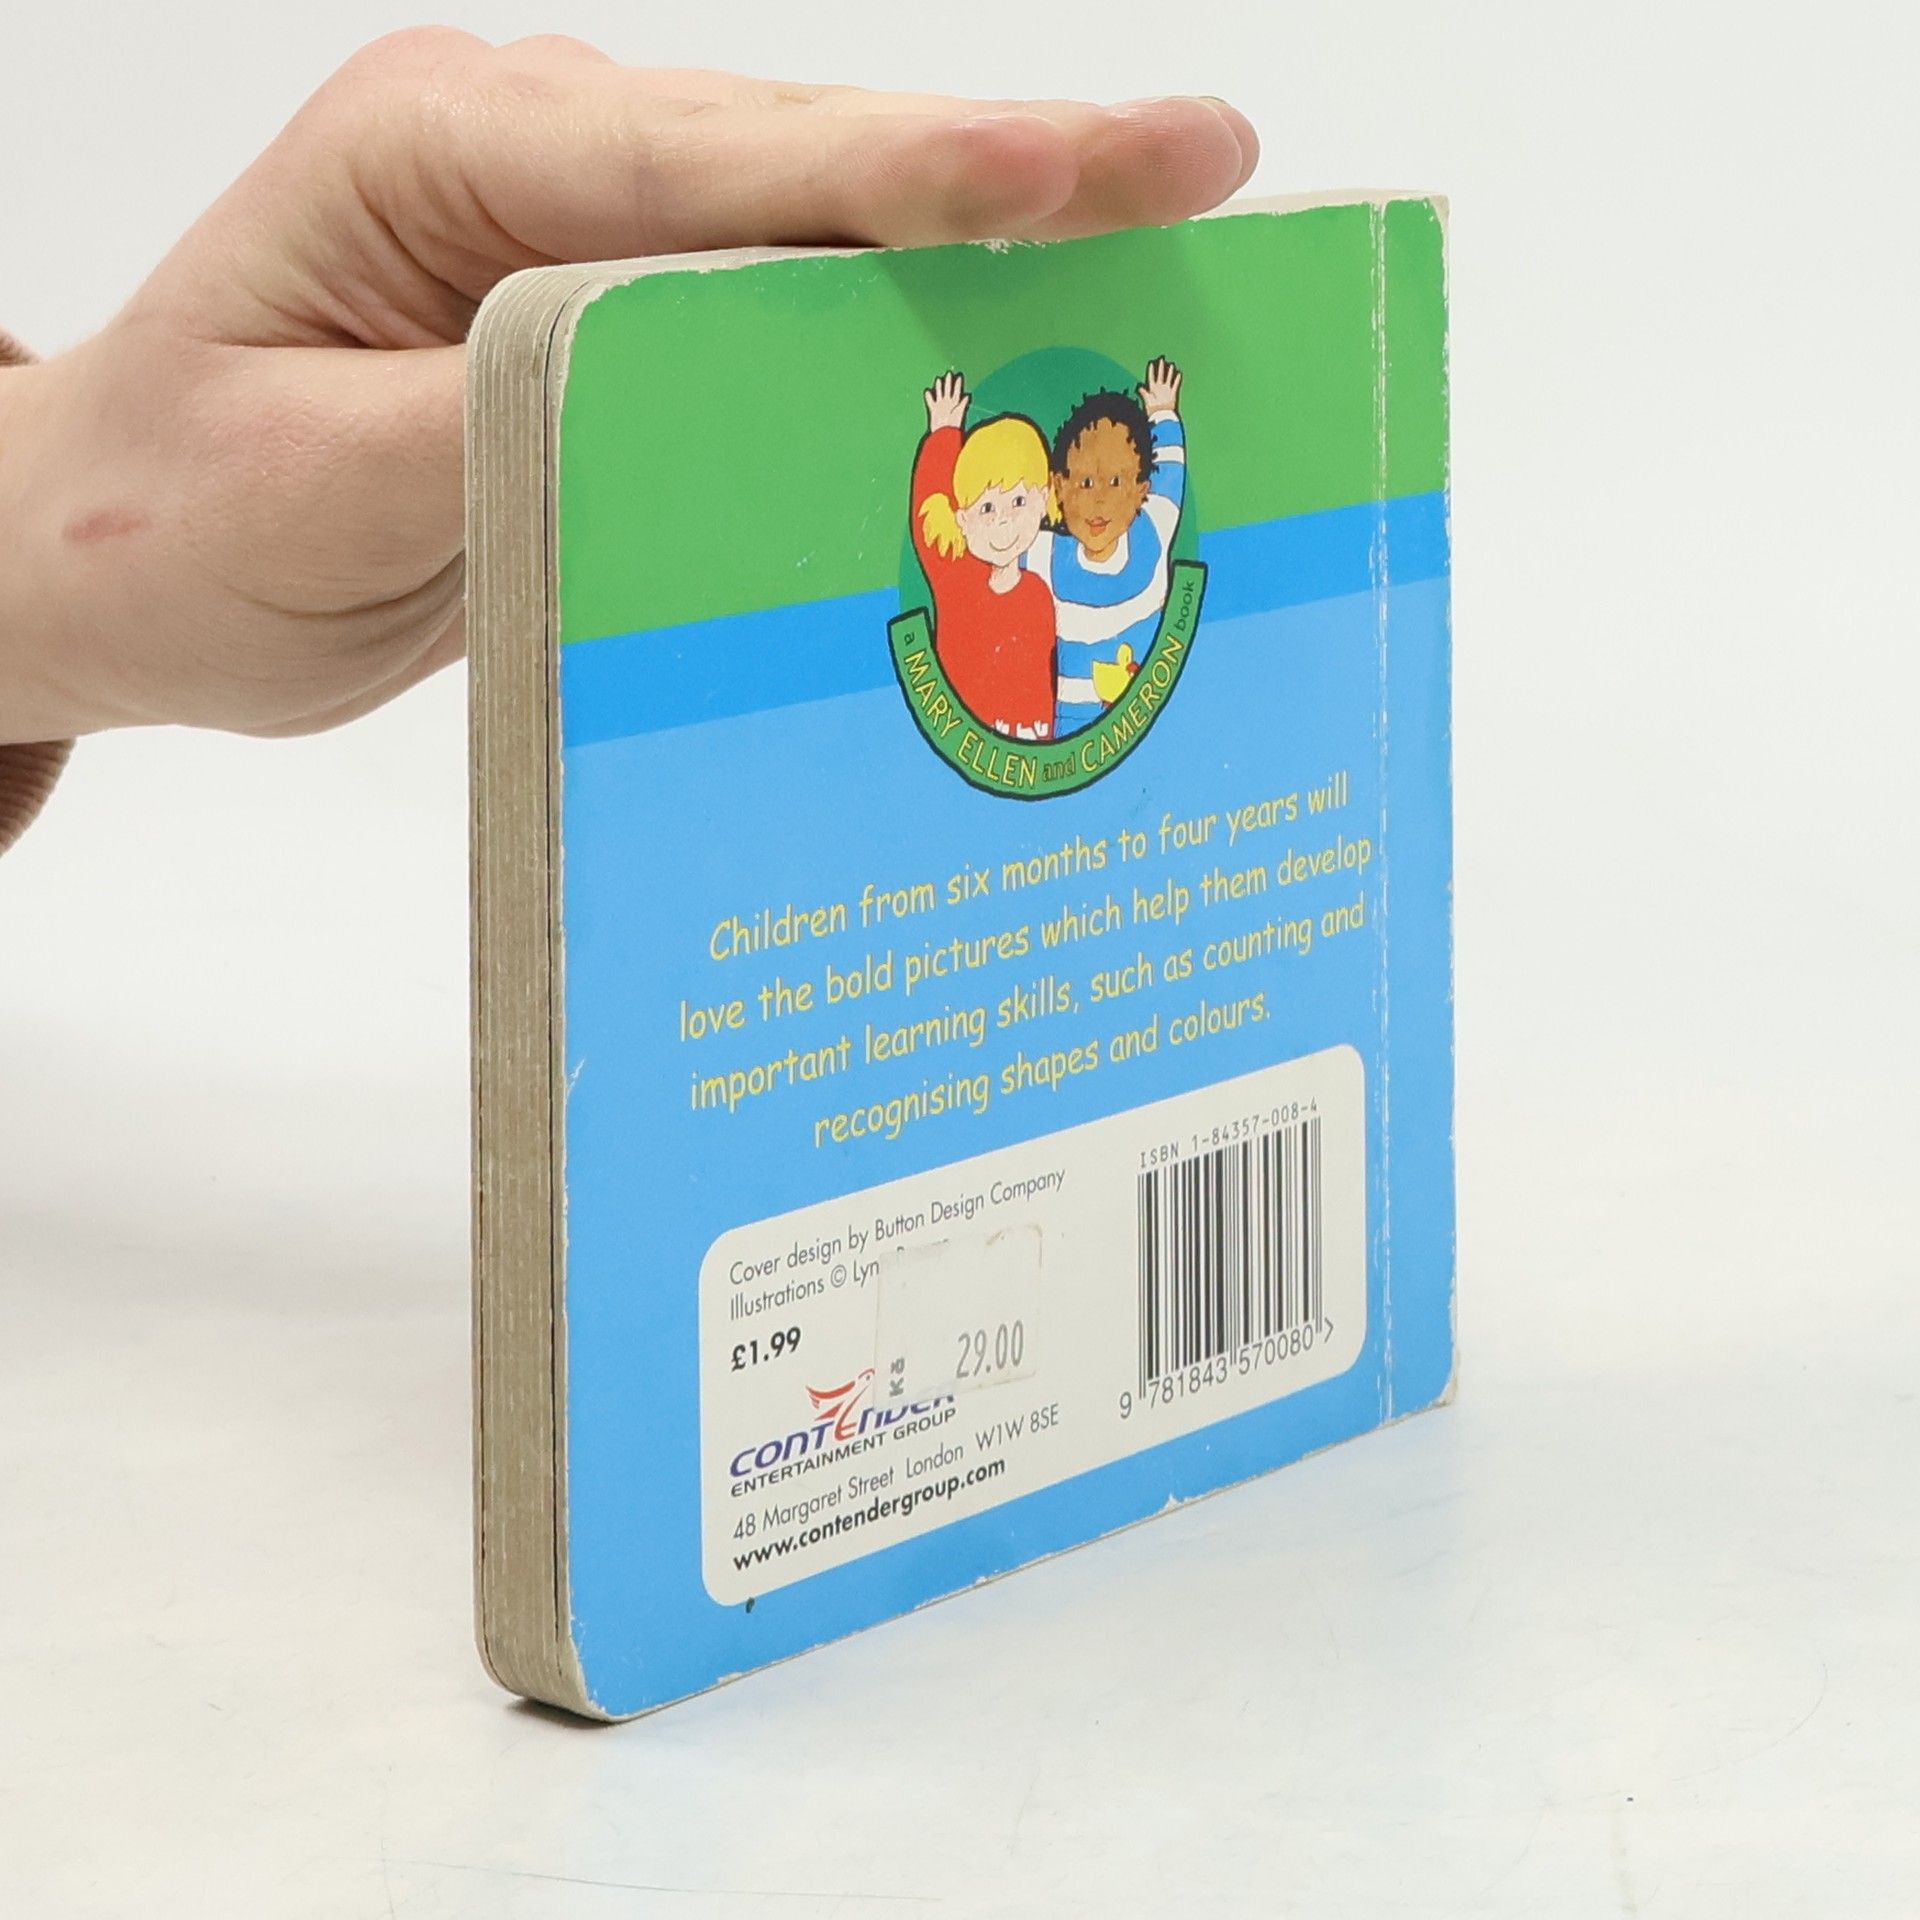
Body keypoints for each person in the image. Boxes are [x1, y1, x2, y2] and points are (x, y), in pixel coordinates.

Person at [0, 34, 1258, 851]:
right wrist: (59, 535)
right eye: (1009, 500)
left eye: (1034, 501)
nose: (1026, 515)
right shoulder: (967, 557)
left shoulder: (1063, 564)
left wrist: (56, 538)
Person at [1026, 356, 1186, 735]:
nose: (1099, 501)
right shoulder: (1044, 555)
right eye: (1084, 483)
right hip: (1068, 732)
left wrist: (1163, 412)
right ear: (1059, 487)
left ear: (1141, 491)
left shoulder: (1151, 536)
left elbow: (1171, 474)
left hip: (1145, 727)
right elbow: (988, 541)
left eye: (1115, 483)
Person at [911, 373, 1057, 739]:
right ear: (962, 519)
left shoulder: (1043, 591)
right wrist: (943, 434)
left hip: (1035, 746)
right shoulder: (960, 587)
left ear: (1042, 499)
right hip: (965, 744)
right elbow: (927, 526)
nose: (1003, 519)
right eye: (987, 508)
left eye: (1018, 501)